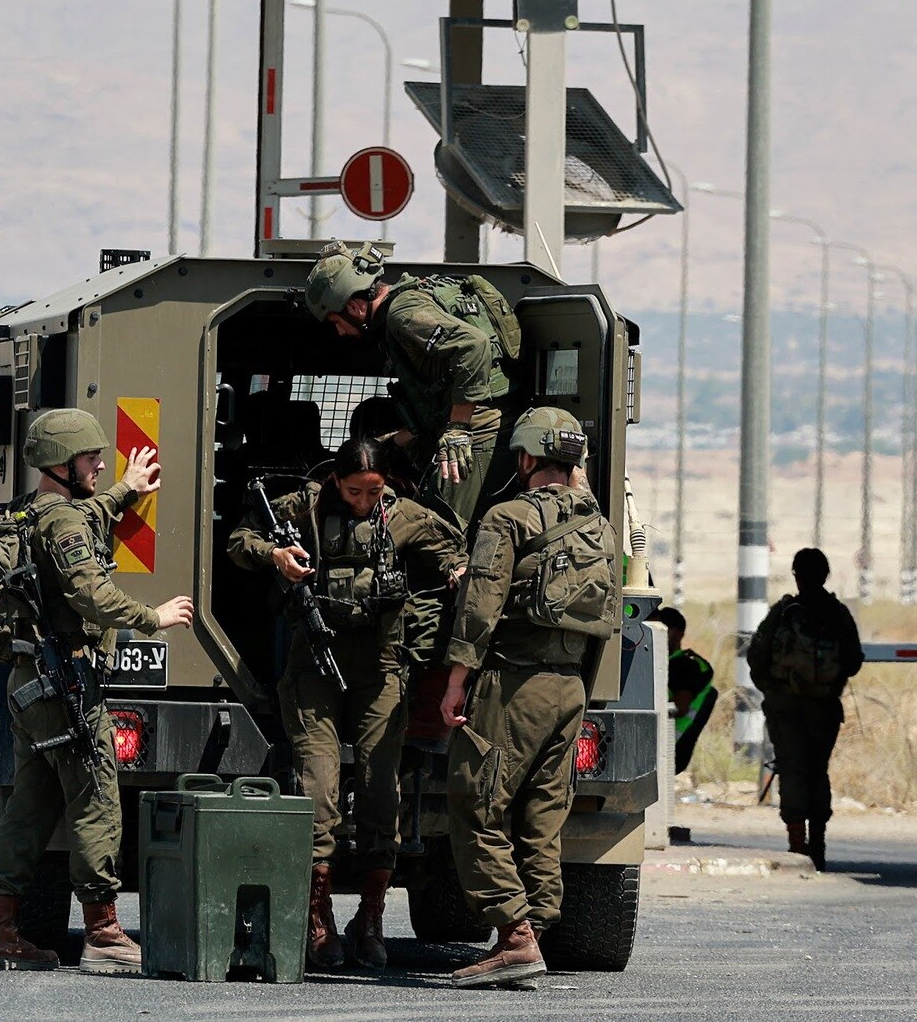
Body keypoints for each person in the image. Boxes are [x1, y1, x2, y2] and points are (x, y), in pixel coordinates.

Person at [228, 437, 466, 971]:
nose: (363, 500)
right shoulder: (303, 507)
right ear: (336, 481)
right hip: (314, 663)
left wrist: (457, 574)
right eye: (354, 490)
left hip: (380, 665)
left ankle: (372, 916)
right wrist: (275, 555)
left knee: (382, 788)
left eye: (373, 491)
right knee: (318, 788)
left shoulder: (405, 516)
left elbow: (454, 555)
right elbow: (239, 540)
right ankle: (318, 919)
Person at [0, 408, 196, 975]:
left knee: (30, 805)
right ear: (61, 464)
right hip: (63, 683)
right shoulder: (65, 524)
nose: (101, 463)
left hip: (29, 684)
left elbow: (80, 518)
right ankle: (102, 932)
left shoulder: (31, 513)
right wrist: (153, 616)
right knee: (97, 793)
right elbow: (89, 591)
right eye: (91, 457)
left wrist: (125, 490)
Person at [439, 408, 619, 989]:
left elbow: (479, 608)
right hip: (571, 687)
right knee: (543, 815)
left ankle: (514, 935)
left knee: (475, 801)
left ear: (523, 458)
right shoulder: (599, 524)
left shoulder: (506, 516)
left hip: (514, 683)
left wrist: (455, 683)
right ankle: (534, 928)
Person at [304, 243, 520, 529]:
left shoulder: (401, 313)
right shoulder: (404, 309)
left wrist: (458, 429)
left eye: (336, 321)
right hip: (479, 432)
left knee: (439, 537)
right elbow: (433, 409)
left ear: (354, 307)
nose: (340, 332)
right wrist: (390, 444)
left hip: (478, 437)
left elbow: (473, 345)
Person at [747, 547, 864, 871]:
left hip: (785, 707)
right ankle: (819, 843)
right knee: (817, 770)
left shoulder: (784, 611)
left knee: (793, 769)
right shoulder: (836, 612)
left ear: (796, 575)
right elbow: (853, 660)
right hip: (823, 707)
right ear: (825, 576)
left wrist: (774, 689)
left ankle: (797, 845)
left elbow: (756, 655)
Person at [655, 606, 717, 776]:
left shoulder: (685, 665)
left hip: (665, 744)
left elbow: (679, 707)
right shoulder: (665, 662)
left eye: (659, 630)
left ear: (677, 634)